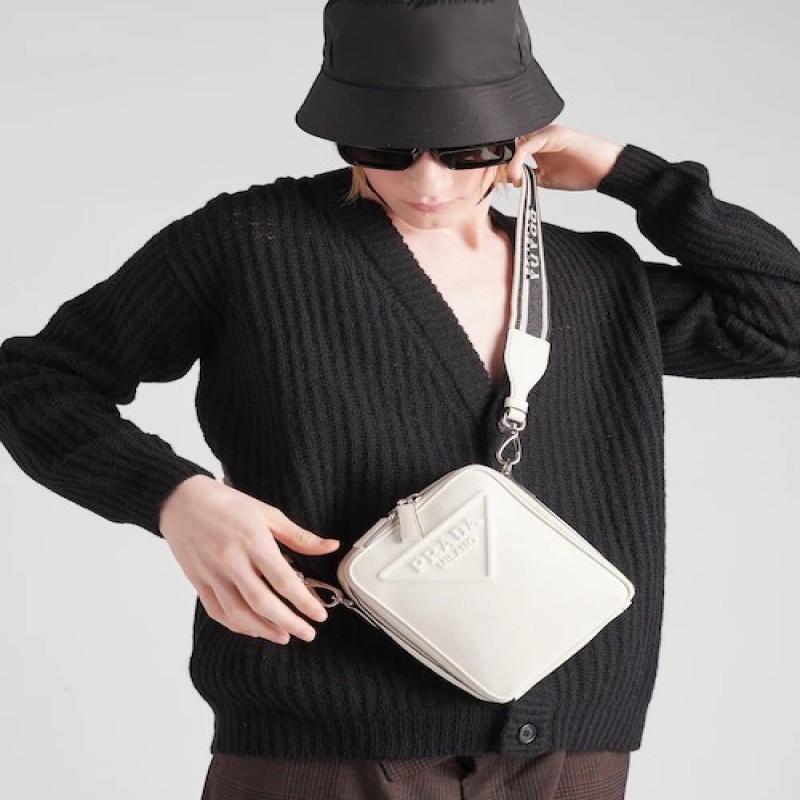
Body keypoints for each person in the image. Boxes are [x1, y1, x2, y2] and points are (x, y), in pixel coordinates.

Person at [0, 1, 798, 798]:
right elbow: (35, 380)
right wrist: (176, 499)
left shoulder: (594, 278)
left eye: (464, 149)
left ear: (518, 132)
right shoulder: (250, 245)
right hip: (321, 746)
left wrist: (636, 176)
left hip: (569, 753)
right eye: (385, 148)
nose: (426, 183)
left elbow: (785, 322)